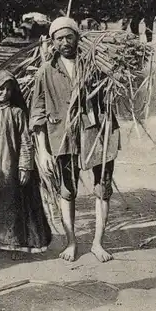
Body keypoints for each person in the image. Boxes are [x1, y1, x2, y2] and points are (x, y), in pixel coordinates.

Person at [29, 17, 120, 263]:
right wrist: (44, 150)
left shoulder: (95, 62)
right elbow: (37, 114)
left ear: (78, 38)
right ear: (53, 42)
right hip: (62, 137)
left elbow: (112, 93)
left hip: (96, 134)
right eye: (60, 38)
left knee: (103, 188)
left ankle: (98, 243)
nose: (65, 42)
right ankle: (71, 242)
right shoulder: (46, 72)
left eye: (70, 37)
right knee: (67, 191)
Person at [0, 69, 52, 259]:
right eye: (0, 89)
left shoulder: (17, 113)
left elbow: (25, 141)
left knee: (13, 204)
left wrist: (25, 166)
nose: (4, 93)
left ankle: (16, 244)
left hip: (11, 169)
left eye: (8, 89)